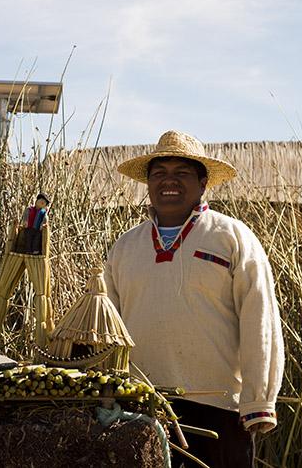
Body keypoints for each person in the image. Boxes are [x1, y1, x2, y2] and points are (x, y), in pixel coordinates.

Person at [104, 130, 284, 467]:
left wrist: (258, 401)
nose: (168, 181)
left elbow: (260, 319)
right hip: (143, 408)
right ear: (148, 183)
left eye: (182, 173)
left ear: (203, 184)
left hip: (218, 409)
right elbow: (108, 324)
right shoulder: (126, 247)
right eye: (159, 173)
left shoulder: (232, 237)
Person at [0, 193, 55, 349]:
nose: (42, 204)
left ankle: (43, 346)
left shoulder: (43, 214)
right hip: (26, 235)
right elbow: (25, 218)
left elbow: (45, 223)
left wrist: (44, 227)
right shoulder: (29, 210)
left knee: (35, 240)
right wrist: (22, 224)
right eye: (41, 201)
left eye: (44, 203)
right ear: (37, 201)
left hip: (38, 238)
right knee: (28, 239)